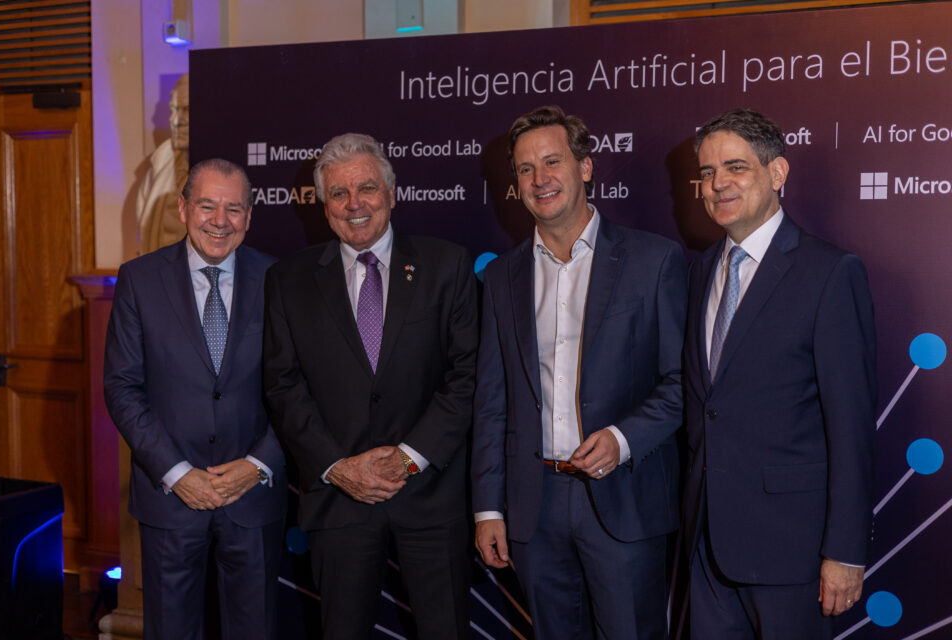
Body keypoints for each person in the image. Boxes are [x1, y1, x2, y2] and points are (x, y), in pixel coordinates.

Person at [472, 105, 687, 639]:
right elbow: (492, 402)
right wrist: (487, 509)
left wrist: (622, 439)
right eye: (525, 169)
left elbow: (684, 382)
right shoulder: (500, 278)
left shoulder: (654, 260)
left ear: (585, 167)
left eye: (552, 161)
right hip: (534, 506)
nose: (539, 179)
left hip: (625, 498)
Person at [263, 133, 478, 639]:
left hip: (430, 495)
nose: (354, 204)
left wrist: (407, 459)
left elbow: (467, 375)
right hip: (339, 498)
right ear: (324, 205)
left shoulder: (446, 266)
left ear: (392, 193)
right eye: (339, 193)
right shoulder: (288, 280)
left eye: (366, 188)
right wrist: (339, 467)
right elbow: (282, 386)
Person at [681, 108, 876, 639]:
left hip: (793, 552)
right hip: (706, 547)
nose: (718, 184)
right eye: (707, 172)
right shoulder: (700, 271)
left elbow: (852, 426)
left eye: (736, 167)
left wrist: (845, 551)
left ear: (777, 173)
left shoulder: (830, 273)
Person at [104, 158, 286, 639]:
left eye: (234, 209)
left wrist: (258, 465)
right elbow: (122, 386)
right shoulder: (139, 280)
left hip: (253, 497)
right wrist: (177, 473)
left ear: (249, 215)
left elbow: (298, 389)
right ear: (183, 209)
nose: (220, 221)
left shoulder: (280, 279)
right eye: (207, 206)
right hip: (170, 498)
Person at [137, 73, 190, 254]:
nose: (174, 121)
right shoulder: (159, 165)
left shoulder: (224, 173)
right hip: (156, 268)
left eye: (187, 110)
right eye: (173, 110)